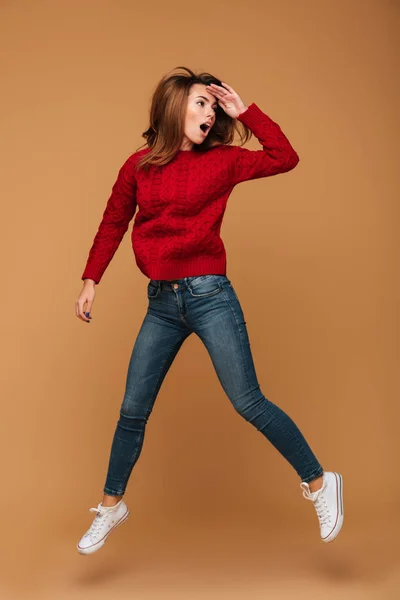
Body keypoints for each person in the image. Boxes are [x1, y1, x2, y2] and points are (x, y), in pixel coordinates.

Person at [75, 66, 344, 555]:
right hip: (161, 303)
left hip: (210, 296)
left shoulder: (223, 161)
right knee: (132, 409)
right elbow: (113, 220)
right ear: (174, 108)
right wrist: (91, 279)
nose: (211, 112)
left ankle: (321, 483)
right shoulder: (137, 167)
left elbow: (285, 157)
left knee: (248, 402)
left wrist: (247, 112)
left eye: (214, 106)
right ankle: (112, 506)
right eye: (202, 103)